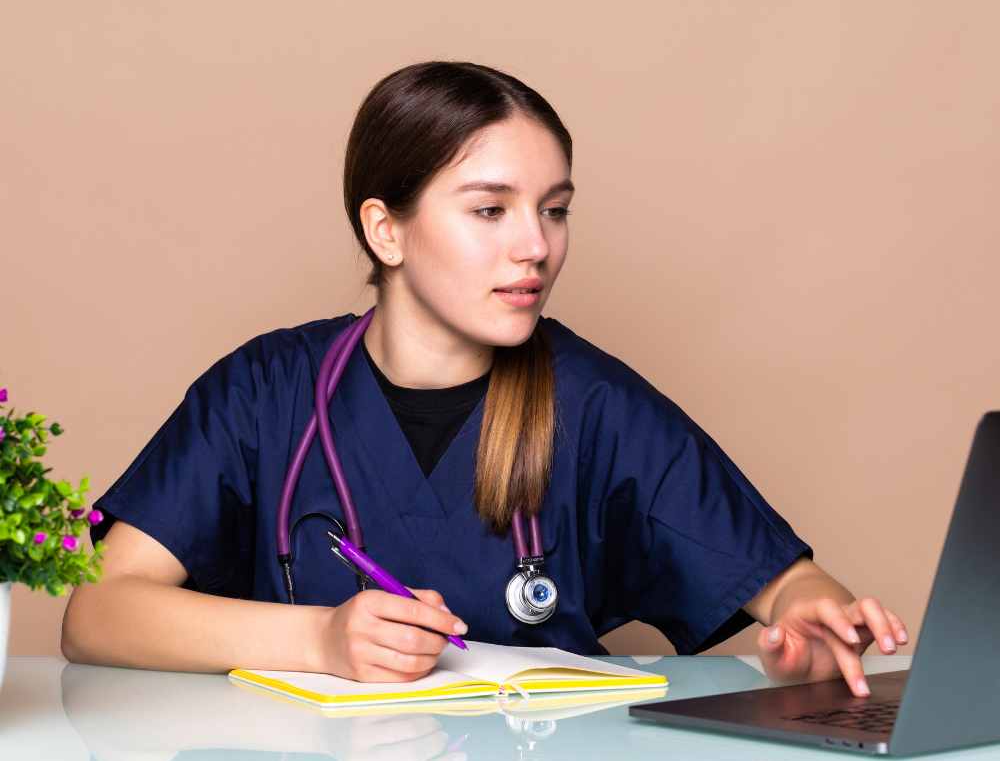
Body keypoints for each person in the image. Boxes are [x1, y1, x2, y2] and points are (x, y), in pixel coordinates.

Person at [61, 61, 908, 697]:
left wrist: (813, 618)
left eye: (555, 208)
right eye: (490, 209)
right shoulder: (262, 392)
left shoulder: (593, 402)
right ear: (385, 231)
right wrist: (319, 640)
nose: (536, 245)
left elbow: (783, 581)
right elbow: (96, 611)